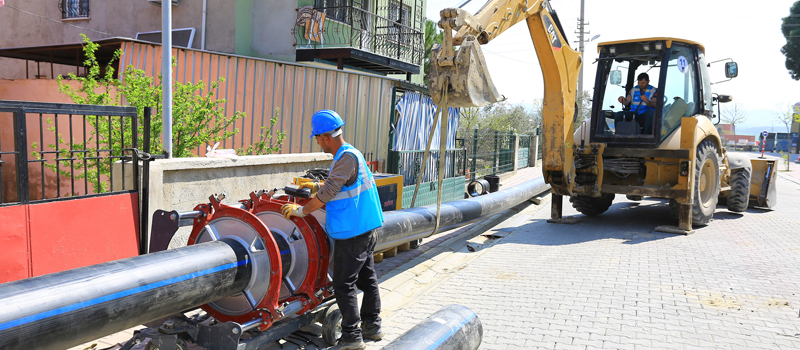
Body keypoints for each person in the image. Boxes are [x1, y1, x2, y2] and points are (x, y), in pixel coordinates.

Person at [280, 109, 384, 350]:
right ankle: (372, 325)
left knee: (344, 284)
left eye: (317, 138)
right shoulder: (349, 154)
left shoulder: (345, 156)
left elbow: (329, 193)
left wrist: (301, 211)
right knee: (367, 279)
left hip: (352, 231)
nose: (317, 142)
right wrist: (315, 184)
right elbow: (339, 182)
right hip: (364, 228)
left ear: (326, 137)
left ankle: (351, 337)